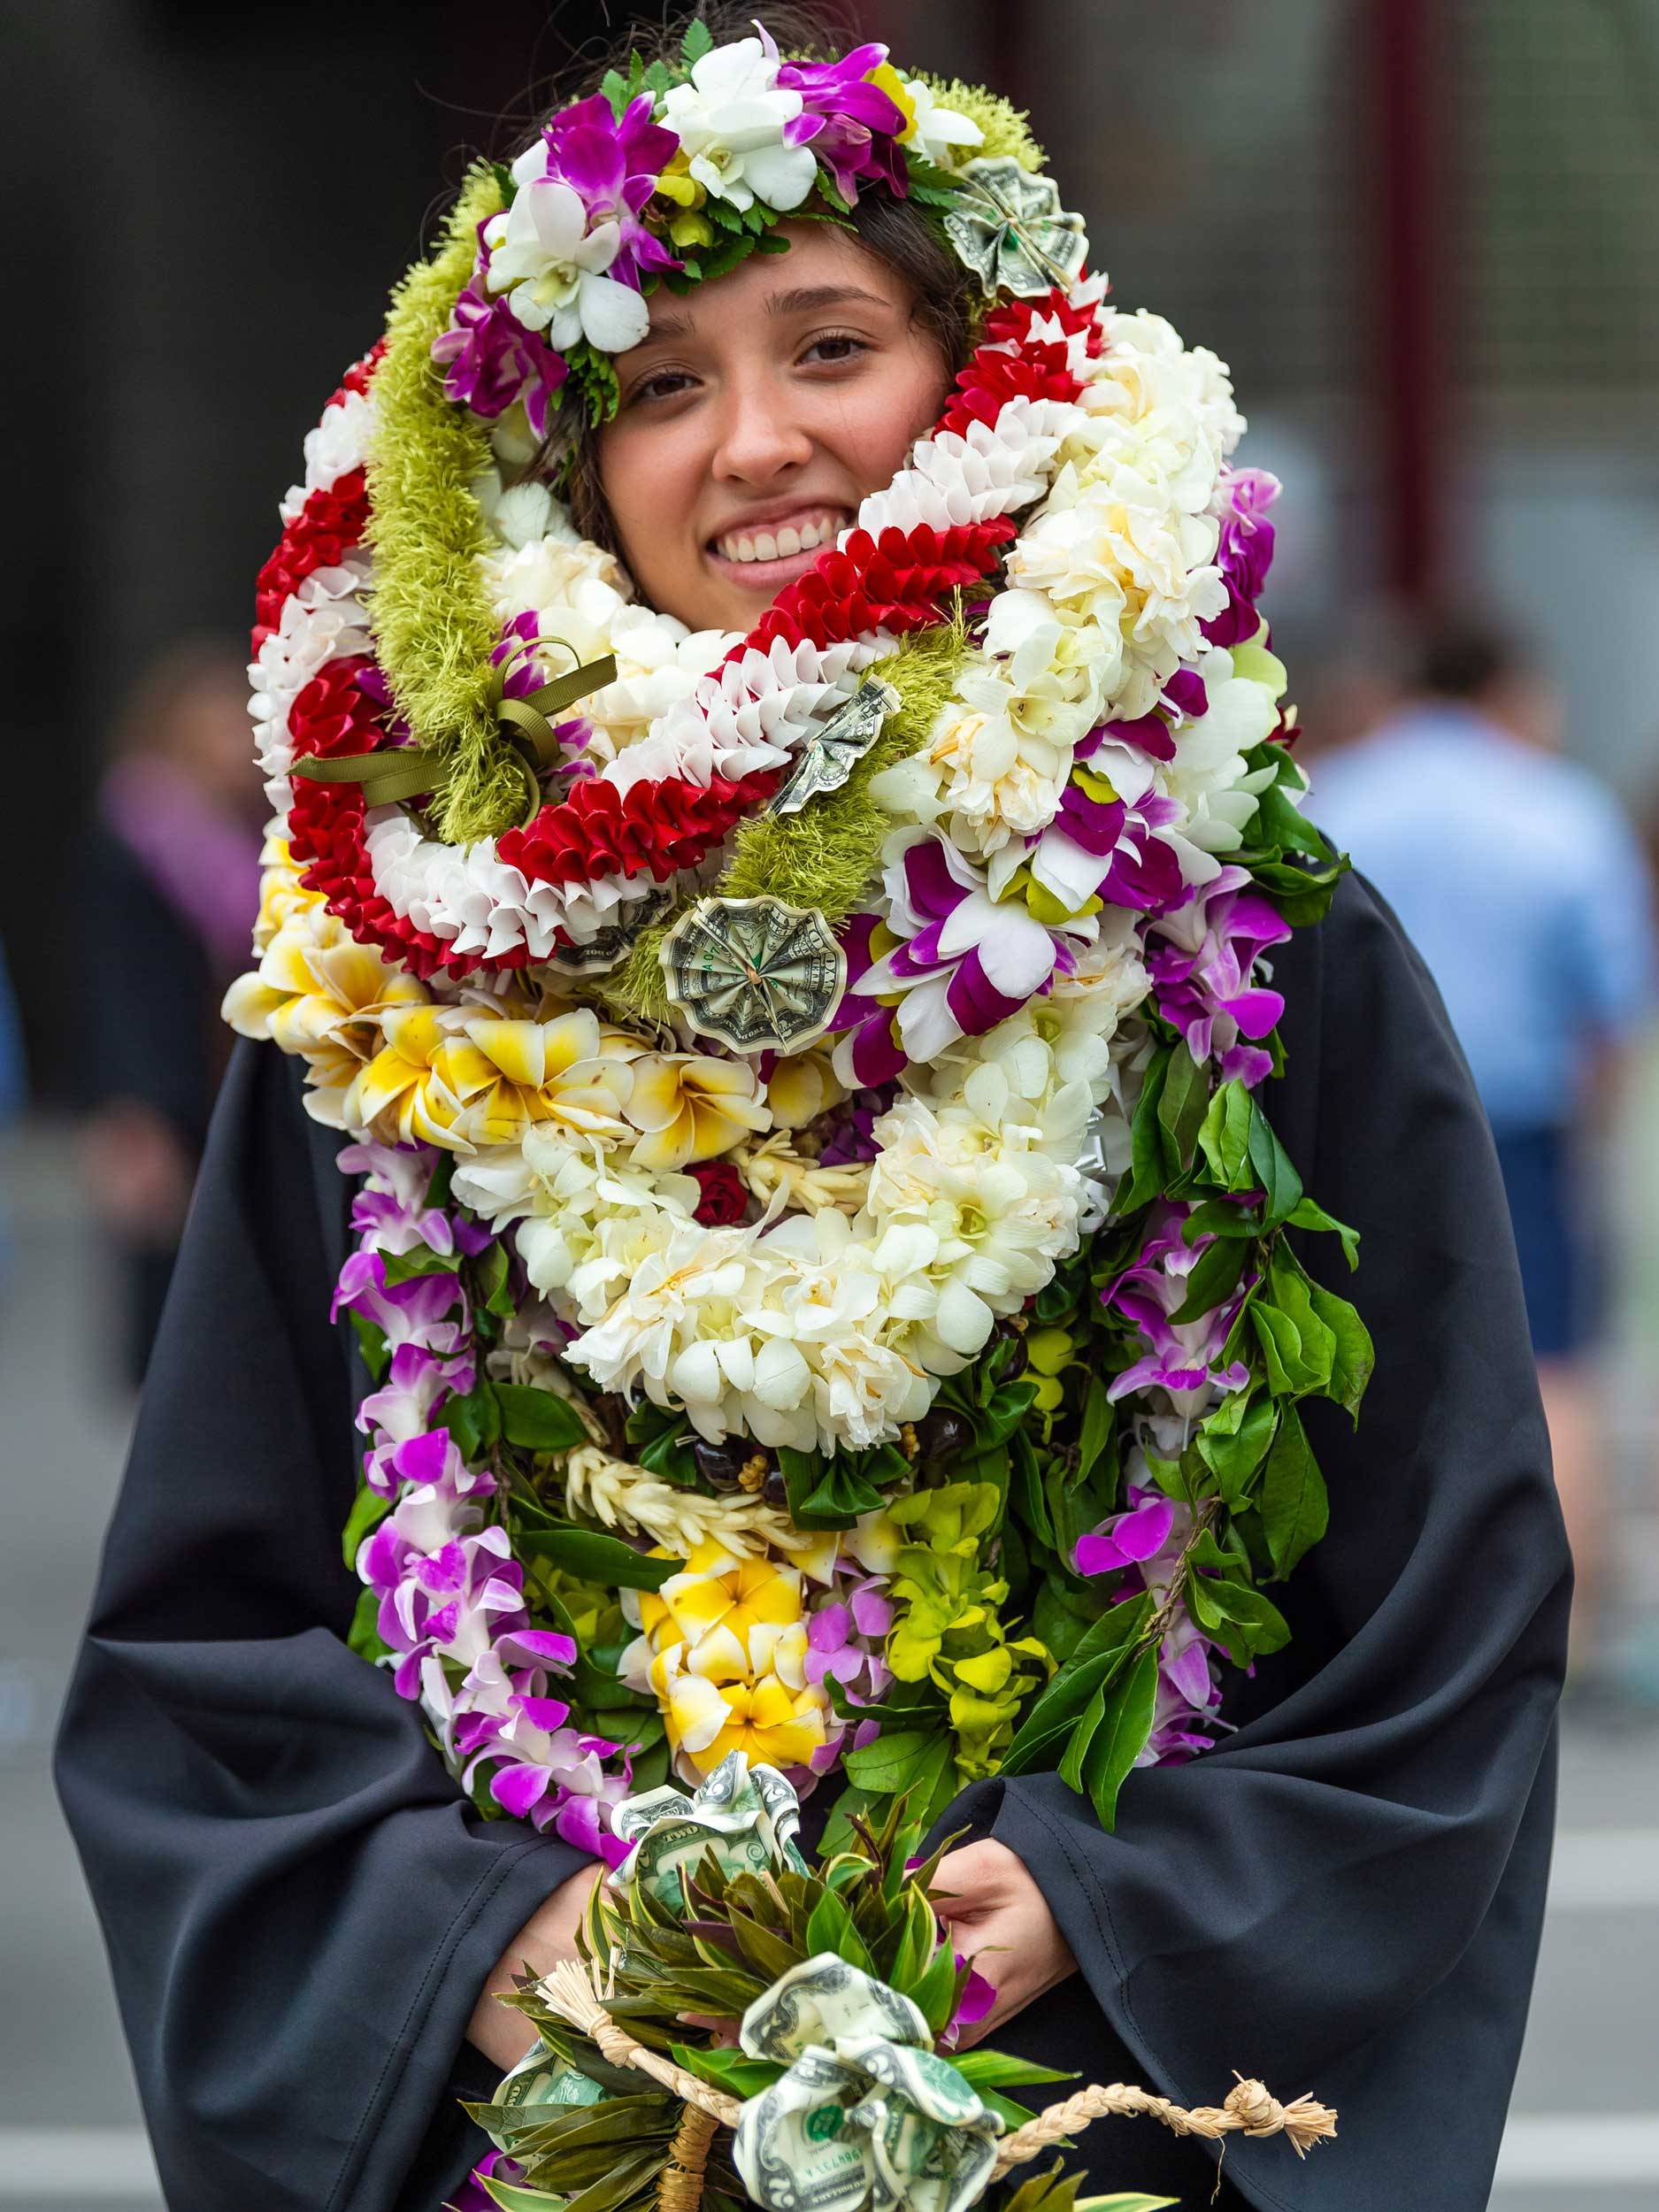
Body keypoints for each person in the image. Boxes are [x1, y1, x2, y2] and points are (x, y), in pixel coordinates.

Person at [56, 14, 1569, 2212]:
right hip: (556, 2104)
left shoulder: (1229, 929)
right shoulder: (398, 974)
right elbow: (211, 1629)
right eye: (657, 384)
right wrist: (477, 1940)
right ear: (577, 473)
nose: (753, 444)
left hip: (1067, 2091)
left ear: (972, 387)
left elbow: (1432, 1587)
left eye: (828, 345)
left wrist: (1108, 1898)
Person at [1311, 618, 1658, 1662]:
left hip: (1341, 1129)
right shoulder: (1560, 808)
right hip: (1518, 1124)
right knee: (1550, 1366)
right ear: (1508, 692)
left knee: (1351, 1367)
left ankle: (1378, 1642)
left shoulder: (1328, 796)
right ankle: (1564, 1630)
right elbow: (1615, 1003)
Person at [79, 638, 265, 1384]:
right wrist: (132, 1115)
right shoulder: (141, 833)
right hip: (163, 1098)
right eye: (217, 726)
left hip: (224, 1090)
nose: (235, 743)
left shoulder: (248, 837)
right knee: (172, 1314)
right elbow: (119, 986)